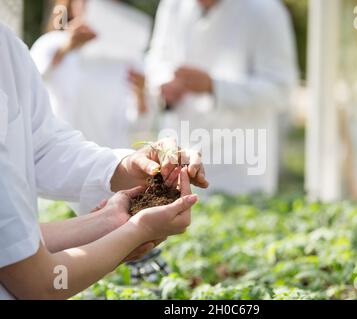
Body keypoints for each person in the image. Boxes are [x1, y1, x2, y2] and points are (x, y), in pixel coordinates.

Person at [0, 22, 208, 299]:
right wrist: (135, 232)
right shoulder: (50, 45)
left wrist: (125, 168)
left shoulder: (6, 46)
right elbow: (41, 284)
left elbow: (39, 145)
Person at [145, 0, 299, 195]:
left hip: (240, 168)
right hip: (177, 156)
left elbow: (280, 90)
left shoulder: (266, 10)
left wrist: (214, 86)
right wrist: (163, 83)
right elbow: (157, 59)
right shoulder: (173, 5)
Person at [30, 0, 150, 148]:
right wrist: (66, 48)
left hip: (112, 159)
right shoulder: (51, 44)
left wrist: (140, 94)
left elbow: (140, 125)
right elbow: (30, 84)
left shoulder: (129, 56)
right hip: (66, 155)